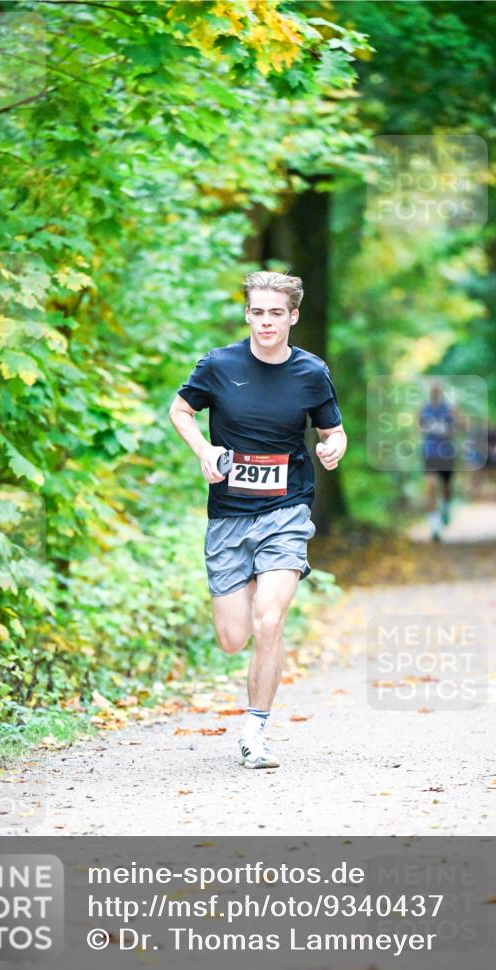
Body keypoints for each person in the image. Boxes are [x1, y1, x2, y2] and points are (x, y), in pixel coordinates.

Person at [169, 270, 346, 769]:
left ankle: (255, 732)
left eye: (276, 313)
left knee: (270, 620)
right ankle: (258, 635)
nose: (265, 321)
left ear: (293, 316)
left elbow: (334, 430)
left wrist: (333, 447)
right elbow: (179, 411)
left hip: (286, 509)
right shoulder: (218, 365)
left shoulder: (311, 372)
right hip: (228, 516)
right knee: (233, 639)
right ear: (247, 314)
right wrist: (203, 449)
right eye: (257, 312)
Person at [418, 382, 457, 541]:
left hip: (447, 453)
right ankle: (434, 527)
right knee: (431, 486)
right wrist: (429, 428)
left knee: (446, 487)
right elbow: (418, 426)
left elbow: (460, 426)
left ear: (441, 392)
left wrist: (447, 430)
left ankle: (446, 508)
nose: (435, 392)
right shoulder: (424, 409)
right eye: (432, 390)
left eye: (437, 390)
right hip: (430, 452)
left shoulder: (450, 409)